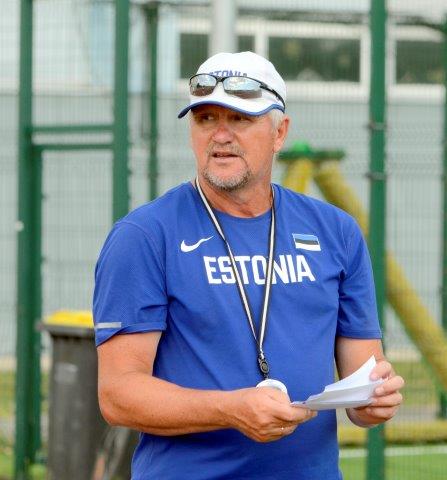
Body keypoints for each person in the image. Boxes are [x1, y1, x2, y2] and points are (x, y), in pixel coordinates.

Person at [93, 51, 404, 480]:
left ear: (280, 133)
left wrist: (375, 401)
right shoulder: (145, 236)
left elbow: (363, 383)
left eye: (239, 119)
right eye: (205, 119)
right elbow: (118, 395)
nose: (220, 135)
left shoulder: (336, 232)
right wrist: (231, 409)